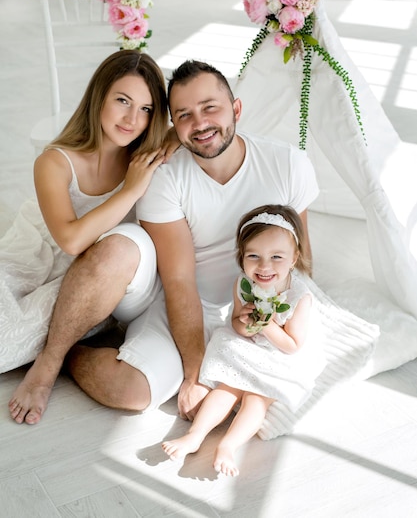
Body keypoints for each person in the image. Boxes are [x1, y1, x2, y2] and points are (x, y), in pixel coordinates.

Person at [61, 59, 319, 422]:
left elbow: (301, 258)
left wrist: (279, 322)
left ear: (236, 109)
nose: (199, 124)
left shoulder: (289, 163)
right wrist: (195, 374)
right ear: (173, 126)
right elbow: (178, 280)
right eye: (184, 115)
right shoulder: (165, 177)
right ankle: (73, 351)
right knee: (130, 392)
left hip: (259, 307)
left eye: (210, 108)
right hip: (188, 307)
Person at [5, 49, 176, 424]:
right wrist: (129, 191)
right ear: (99, 96)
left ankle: (50, 363)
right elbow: (69, 241)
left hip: (91, 279)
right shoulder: (55, 161)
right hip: (34, 263)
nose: (133, 119)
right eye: (123, 101)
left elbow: (192, 126)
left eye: (147, 109)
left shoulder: (146, 154)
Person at [162, 203, 325, 476]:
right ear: (241, 257)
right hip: (251, 344)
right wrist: (246, 325)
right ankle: (194, 436)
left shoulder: (300, 297)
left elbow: (293, 345)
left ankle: (228, 446)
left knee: (255, 399)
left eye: (276, 257)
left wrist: (268, 325)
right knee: (227, 388)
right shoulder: (244, 284)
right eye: (253, 256)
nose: (264, 266)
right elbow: (236, 322)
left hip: (281, 355)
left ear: (294, 258)